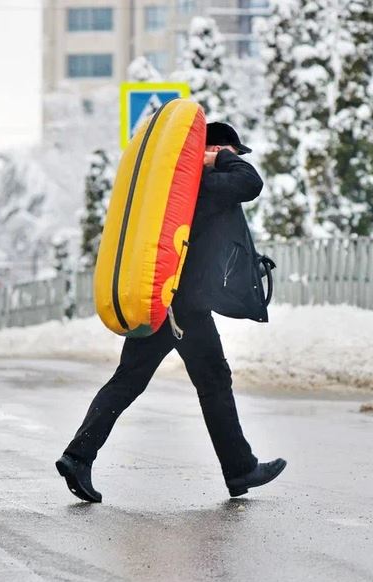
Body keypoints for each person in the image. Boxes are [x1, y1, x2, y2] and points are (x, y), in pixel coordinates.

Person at [56, 121, 287, 503]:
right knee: (213, 381)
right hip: (184, 306)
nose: (234, 158)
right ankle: (240, 468)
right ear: (211, 151)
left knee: (131, 379)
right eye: (228, 151)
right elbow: (251, 183)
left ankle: (77, 456)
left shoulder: (175, 187)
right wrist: (219, 159)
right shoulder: (201, 184)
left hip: (166, 298)